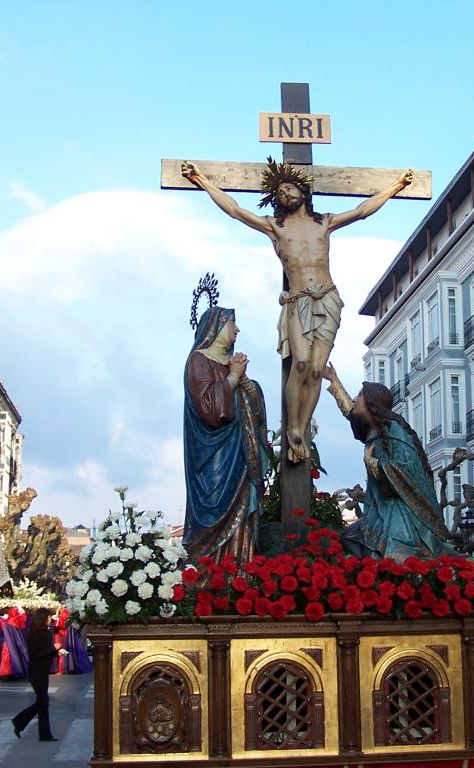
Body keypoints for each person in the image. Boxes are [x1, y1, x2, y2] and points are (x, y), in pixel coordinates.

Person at [183, 158, 413, 464]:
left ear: (303, 192)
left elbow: (362, 211)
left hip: (328, 299)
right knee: (301, 363)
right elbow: (235, 210)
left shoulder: (324, 223)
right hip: (298, 301)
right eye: (278, 192)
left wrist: (396, 187)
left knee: (317, 369)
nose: (284, 194)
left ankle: (302, 427)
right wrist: (203, 181)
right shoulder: (276, 227)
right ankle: (292, 426)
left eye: (289, 187)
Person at [322, 366, 453, 559]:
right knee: (350, 537)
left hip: (399, 510)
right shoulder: (372, 429)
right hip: (379, 507)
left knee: (390, 554)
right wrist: (334, 380)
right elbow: (350, 411)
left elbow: (406, 470)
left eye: (360, 395)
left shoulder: (395, 431)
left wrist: (372, 463)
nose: (356, 399)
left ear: (371, 403)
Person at [183, 305, 267, 563]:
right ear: (217, 327)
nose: (237, 329)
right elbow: (209, 409)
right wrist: (232, 378)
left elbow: (253, 406)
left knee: (240, 508)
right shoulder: (198, 360)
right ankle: (210, 571)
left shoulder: (233, 366)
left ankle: (240, 569)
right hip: (212, 454)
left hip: (239, 452)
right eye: (233, 323)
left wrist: (244, 382)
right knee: (214, 505)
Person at [12, 607, 65, 741]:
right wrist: (53, 648)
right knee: (43, 702)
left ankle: (28, 726)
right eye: (48, 617)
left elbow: (46, 651)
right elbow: (36, 653)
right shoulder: (36, 633)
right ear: (43, 618)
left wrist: (56, 652)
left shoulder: (46, 632)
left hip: (43, 670)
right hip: (36, 671)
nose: (50, 619)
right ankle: (22, 722)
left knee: (42, 703)